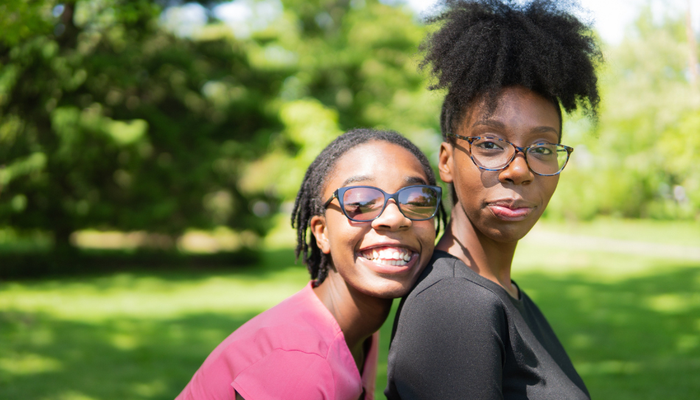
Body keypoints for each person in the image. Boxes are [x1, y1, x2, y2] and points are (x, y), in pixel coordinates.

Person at [385, 0, 601, 399]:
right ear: (447, 162)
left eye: (542, 147)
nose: (518, 170)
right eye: (489, 143)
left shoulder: (503, 293)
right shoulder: (453, 306)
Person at [176, 128, 445, 400]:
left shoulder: (360, 332)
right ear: (322, 232)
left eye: (416, 200)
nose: (394, 218)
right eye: (360, 202)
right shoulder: (300, 364)